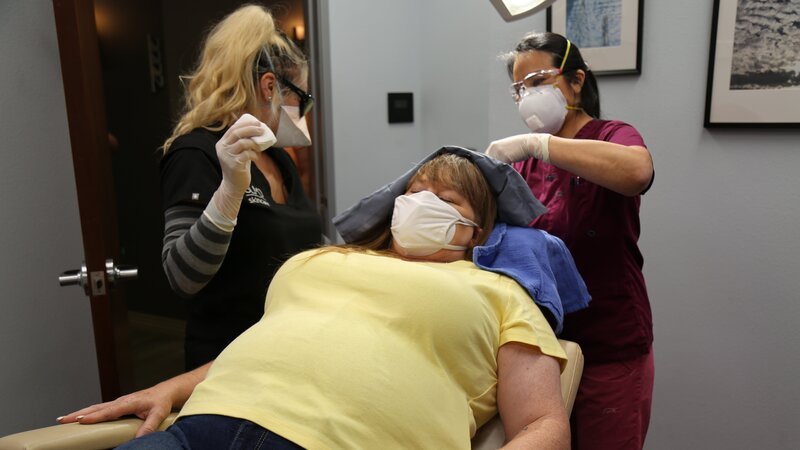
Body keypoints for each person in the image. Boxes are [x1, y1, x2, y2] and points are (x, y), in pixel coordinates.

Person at [58, 151, 570, 449]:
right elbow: (273, 337)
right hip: (200, 429)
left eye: (446, 200)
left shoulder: (500, 292)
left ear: (477, 231)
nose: (421, 204)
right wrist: (169, 388)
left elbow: (544, 425)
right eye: (414, 193)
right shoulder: (321, 261)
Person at [486, 32, 655, 450]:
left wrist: (539, 144)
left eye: (539, 81)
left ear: (576, 81)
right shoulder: (523, 164)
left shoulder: (612, 135)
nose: (528, 96)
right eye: (519, 88)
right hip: (543, 350)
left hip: (610, 343)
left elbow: (637, 173)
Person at [158, 5, 322, 370]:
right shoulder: (195, 154)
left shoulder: (277, 159)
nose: (304, 111)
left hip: (286, 349)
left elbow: (294, 242)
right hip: (225, 365)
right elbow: (182, 277)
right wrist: (229, 191)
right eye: (303, 99)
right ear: (269, 87)